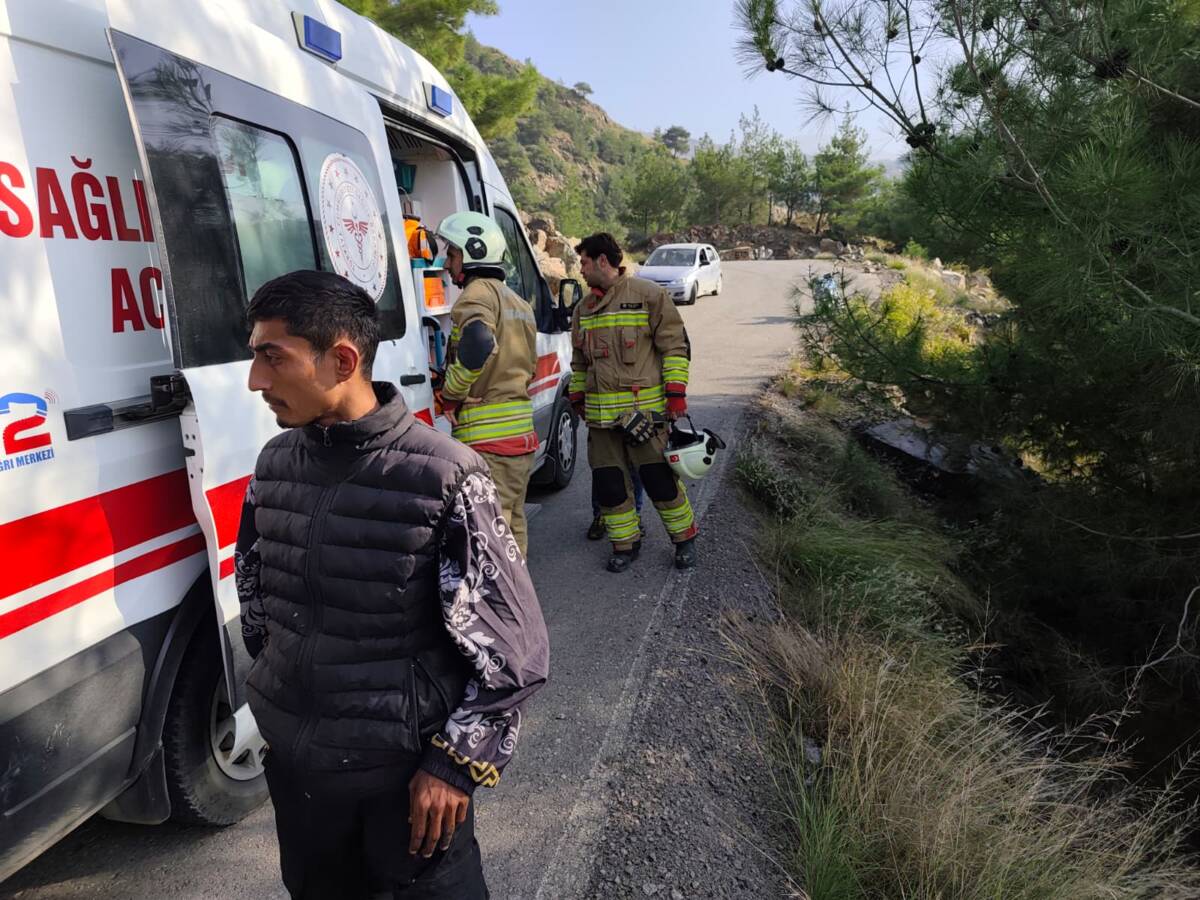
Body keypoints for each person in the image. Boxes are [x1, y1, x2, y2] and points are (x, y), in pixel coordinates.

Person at [234, 270, 549, 899]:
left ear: (342, 360)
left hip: (405, 788)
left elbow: (515, 654)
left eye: (274, 358)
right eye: (255, 357)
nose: (256, 381)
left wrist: (453, 766)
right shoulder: (274, 464)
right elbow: (256, 595)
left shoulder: (446, 477)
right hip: (302, 777)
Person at [569, 233, 698, 572]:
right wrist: (578, 396)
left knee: (660, 481)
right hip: (601, 424)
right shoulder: (583, 309)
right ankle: (626, 545)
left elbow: (675, 348)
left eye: (583, 262)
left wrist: (675, 395)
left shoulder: (649, 296)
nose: (580, 270)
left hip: (644, 419)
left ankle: (685, 539)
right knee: (610, 488)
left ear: (602, 261)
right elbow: (580, 362)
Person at [435, 211, 539, 557]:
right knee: (512, 526)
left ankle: (498, 606)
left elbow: (479, 343)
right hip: (520, 439)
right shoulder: (519, 303)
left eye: (452, 254)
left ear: (473, 252)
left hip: (489, 442)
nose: (447, 263)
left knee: (488, 537)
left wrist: (452, 392)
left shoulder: (475, 293)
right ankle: (517, 601)